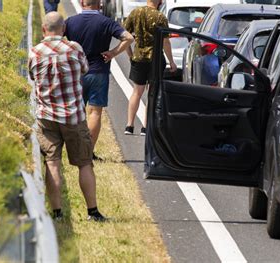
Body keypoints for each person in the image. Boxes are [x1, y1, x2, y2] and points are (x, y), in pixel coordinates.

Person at [28, 12, 106, 221]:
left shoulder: (35, 52)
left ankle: (57, 213)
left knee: (52, 162)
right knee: (84, 162)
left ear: (44, 29)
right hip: (73, 114)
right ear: (63, 29)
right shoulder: (74, 48)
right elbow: (84, 70)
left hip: (46, 116)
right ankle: (93, 211)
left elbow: (33, 76)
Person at [65, 0, 134, 160]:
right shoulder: (106, 22)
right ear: (100, 4)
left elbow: (54, 37)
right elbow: (128, 38)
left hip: (77, 73)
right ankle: (88, 152)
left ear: (82, 2)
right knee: (95, 112)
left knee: (77, 111)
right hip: (99, 72)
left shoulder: (70, 22)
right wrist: (113, 53)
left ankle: (75, 150)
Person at [123, 0, 177, 136]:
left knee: (136, 92)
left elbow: (124, 36)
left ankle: (129, 125)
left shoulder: (135, 13)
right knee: (151, 93)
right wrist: (171, 62)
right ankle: (145, 127)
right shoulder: (160, 17)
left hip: (138, 58)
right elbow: (166, 42)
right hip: (155, 59)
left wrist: (130, 54)